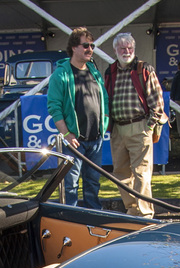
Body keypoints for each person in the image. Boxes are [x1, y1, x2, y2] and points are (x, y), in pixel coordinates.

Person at [104, 32, 165, 218]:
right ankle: (132, 209)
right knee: (120, 173)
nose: (127, 51)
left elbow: (157, 102)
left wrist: (149, 126)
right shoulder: (110, 71)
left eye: (130, 48)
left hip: (140, 125)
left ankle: (145, 214)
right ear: (115, 50)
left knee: (142, 174)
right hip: (117, 128)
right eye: (122, 48)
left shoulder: (144, 69)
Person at [46, 26, 108, 209]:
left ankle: (93, 217)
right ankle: (70, 217)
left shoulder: (94, 71)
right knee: (70, 185)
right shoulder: (61, 74)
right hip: (75, 141)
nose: (90, 49)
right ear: (74, 47)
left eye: (92, 46)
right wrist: (66, 134)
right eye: (86, 45)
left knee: (93, 183)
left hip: (95, 139)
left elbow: (103, 97)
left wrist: (103, 122)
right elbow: (54, 107)